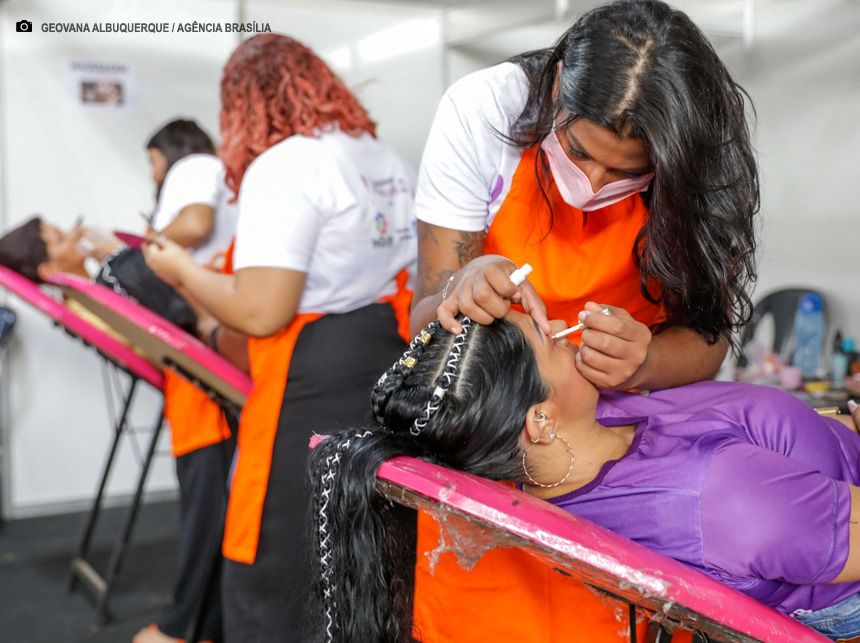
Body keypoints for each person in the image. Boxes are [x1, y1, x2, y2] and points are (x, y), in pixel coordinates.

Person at [407, 1, 759, 637]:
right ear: (559, 83)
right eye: (578, 151)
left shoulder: (699, 156)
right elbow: (425, 315)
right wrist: (461, 286)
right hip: (494, 458)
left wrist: (646, 361)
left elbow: (709, 339)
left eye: (628, 172)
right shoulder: (484, 111)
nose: (594, 183)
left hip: (625, 449)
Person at [309, 312, 860, 642]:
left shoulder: (582, 441)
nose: (562, 329)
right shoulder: (714, 502)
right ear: (541, 421)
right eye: (549, 340)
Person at [143, 34, 417, 642]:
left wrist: (181, 272)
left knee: (283, 564)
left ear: (243, 104)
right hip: (384, 360)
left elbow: (263, 311)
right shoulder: (378, 154)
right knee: (364, 558)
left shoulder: (286, 164)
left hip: (309, 379)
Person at [145, 119, 238, 267]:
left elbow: (194, 226)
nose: (152, 175)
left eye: (152, 161)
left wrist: (149, 244)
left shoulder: (194, 165)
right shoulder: (213, 169)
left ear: (169, 153)